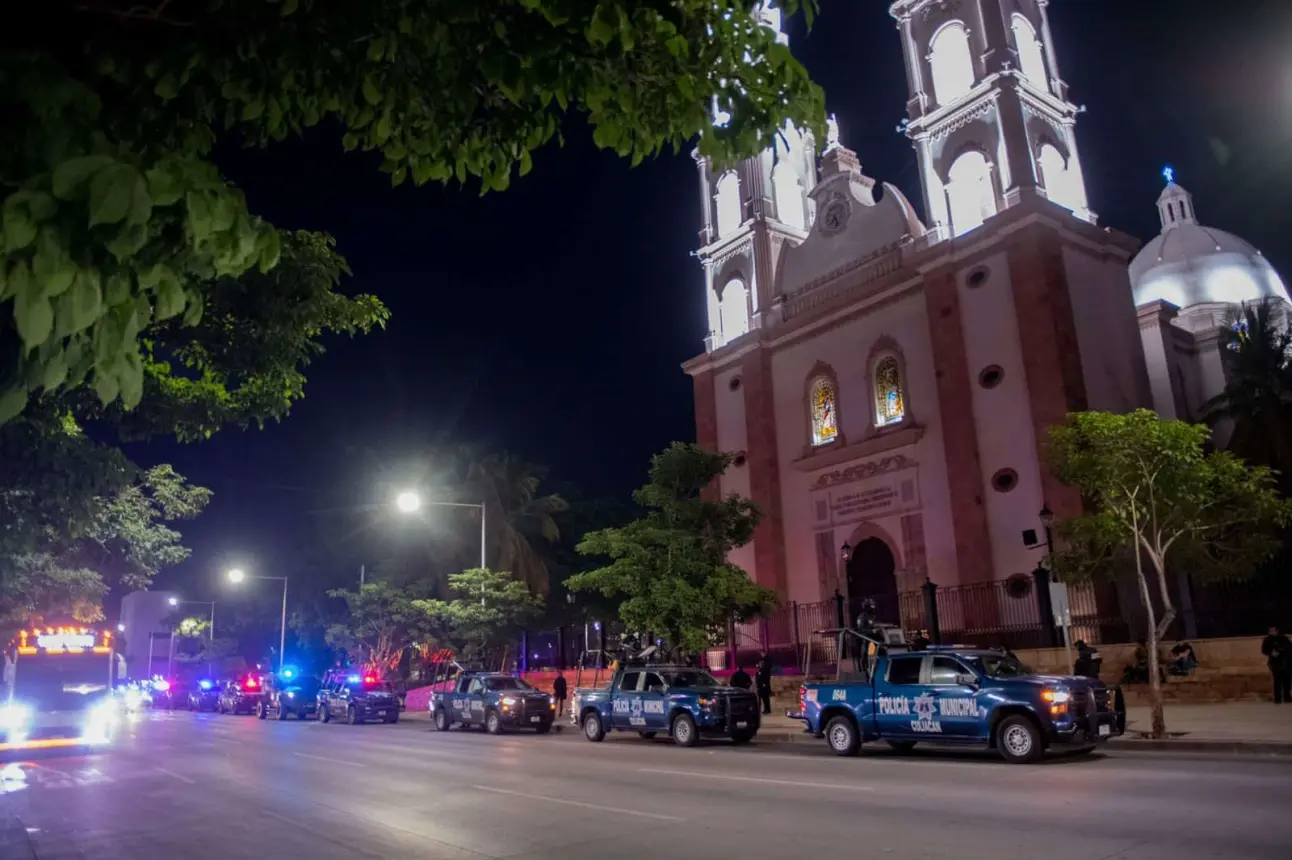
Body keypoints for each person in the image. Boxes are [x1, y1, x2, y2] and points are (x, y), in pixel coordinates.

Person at [1261, 626, 1292, 704]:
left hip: (1285, 662)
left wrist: (1283, 652)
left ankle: (1287, 697)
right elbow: (1264, 650)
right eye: (1270, 630)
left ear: (1277, 631)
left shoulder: (1283, 638)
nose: (1271, 632)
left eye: (1273, 630)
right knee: (1277, 681)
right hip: (1275, 663)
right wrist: (1271, 652)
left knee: (1287, 680)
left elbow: (1289, 648)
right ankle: (1277, 698)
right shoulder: (1268, 640)